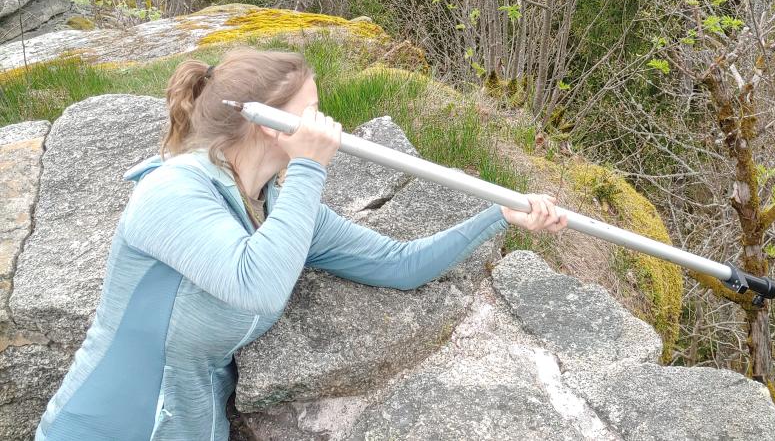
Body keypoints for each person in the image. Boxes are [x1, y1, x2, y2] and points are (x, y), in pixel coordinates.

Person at [35, 47, 568, 440]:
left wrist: (499, 216)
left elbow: (399, 264)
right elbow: (257, 284)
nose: (328, 125)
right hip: (98, 426)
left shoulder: (281, 206)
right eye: (312, 112)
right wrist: (311, 165)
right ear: (269, 123)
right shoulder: (173, 190)